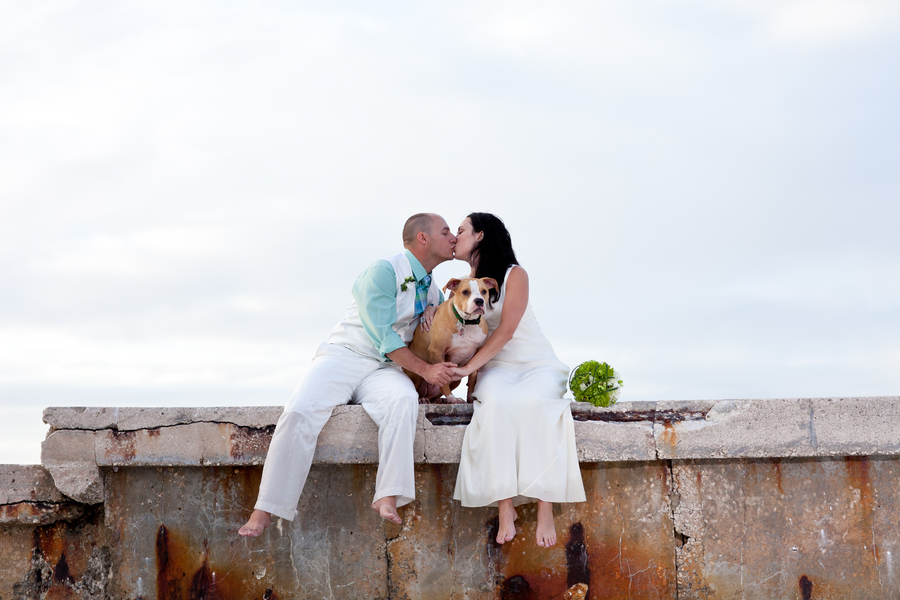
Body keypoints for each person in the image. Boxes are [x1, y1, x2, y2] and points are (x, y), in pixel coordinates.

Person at [239, 213, 458, 536]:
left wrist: (433, 309)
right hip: (345, 356)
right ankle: (266, 509)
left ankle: (387, 495)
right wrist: (427, 370)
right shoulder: (384, 271)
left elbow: (442, 321)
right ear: (423, 238)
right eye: (446, 231)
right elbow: (384, 336)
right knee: (300, 409)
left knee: (403, 400)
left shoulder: (432, 289)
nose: (453, 237)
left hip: (384, 369)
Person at [449, 213, 586, 547]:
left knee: (537, 405)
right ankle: (505, 504)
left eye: (462, 230)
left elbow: (507, 330)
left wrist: (468, 370)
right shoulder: (464, 285)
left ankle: (545, 507)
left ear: (480, 236)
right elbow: (451, 323)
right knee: (494, 405)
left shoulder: (514, 275)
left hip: (534, 362)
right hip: (497, 367)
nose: (456, 236)